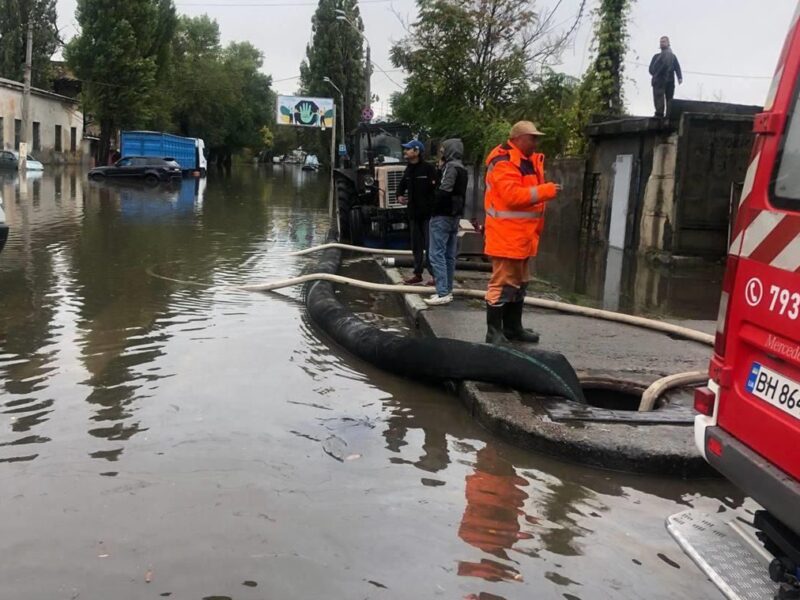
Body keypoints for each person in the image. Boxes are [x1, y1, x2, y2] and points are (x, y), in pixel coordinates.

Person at [483, 121, 561, 344]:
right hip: (506, 235)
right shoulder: (504, 162)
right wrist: (546, 191)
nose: (536, 142)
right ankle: (493, 332)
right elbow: (512, 197)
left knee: (520, 282)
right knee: (502, 283)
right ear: (517, 138)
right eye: (532, 138)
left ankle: (512, 327)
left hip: (523, 236)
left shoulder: (527, 161)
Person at [424, 138, 468, 306]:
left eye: (443, 149)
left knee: (436, 254)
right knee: (449, 255)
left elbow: (444, 190)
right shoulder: (463, 169)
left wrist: (432, 205)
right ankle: (447, 290)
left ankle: (442, 291)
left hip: (441, 215)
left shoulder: (450, 168)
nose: (441, 152)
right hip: (455, 216)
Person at [396, 140, 437, 285]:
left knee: (430, 246)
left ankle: (434, 275)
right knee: (416, 246)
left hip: (427, 215)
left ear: (417, 151)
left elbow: (436, 190)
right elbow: (401, 186)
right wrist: (399, 195)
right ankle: (417, 274)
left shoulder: (428, 169)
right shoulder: (408, 169)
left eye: (408, 149)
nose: (405, 152)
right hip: (413, 214)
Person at [649, 36, 683, 118]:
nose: (662, 43)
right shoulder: (656, 57)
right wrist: (656, 74)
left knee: (669, 98)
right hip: (659, 81)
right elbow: (651, 69)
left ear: (668, 43)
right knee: (658, 97)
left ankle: (669, 115)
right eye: (661, 42)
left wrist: (679, 77)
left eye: (664, 41)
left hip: (670, 81)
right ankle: (659, 113)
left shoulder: (672, 56)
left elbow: (677, 67)